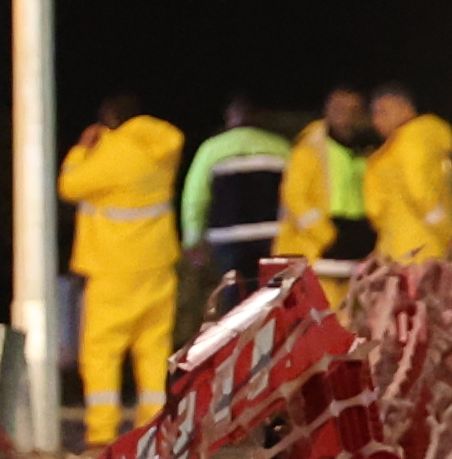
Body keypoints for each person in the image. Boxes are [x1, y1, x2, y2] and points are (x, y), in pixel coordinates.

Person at [57, 86, 189, 421]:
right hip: (157, 266)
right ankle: (156, 429)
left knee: (102, 350)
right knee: (154, 349)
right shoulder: (164, 149)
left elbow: (69, 187)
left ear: (110, 118)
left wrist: (80, 151)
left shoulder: (113, 151)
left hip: (112, 268)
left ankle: (102, 432)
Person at [178, 93, 297, 309]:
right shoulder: (281, 146)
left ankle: (245, 342)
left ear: (229, 116)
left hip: (227, 240)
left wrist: (193, 239)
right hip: (273, 236)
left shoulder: (211, 149)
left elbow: (195, 197)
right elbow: (295, 195)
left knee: (237, 306)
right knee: (273, 303)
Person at [363, 82, 452, 265]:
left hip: (403, 252)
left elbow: (376, 208)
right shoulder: (406, 144)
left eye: (384, 112)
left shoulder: (406, 143)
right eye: (374, 114)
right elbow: (418, 192)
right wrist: (448, 232)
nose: (377, 120)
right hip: (421, 248)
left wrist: (447, 232)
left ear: (405, 108)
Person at [281, 85, 377, 269]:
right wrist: (327, 237)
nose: (346, 116)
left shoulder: (366, 152)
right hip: (317, 245)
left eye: (353, 110)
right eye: (339, 108)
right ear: (327, 110)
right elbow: (294, 198)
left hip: (357, 240)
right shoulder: (309, 150)